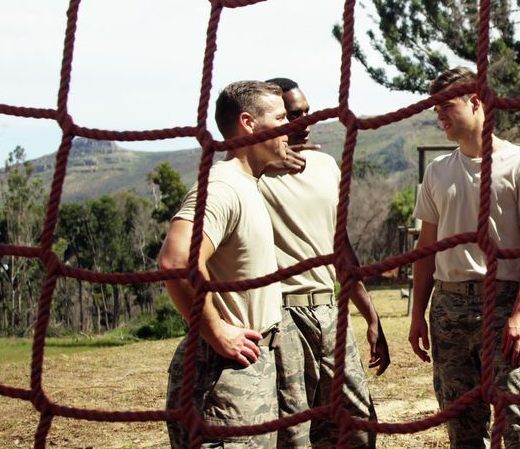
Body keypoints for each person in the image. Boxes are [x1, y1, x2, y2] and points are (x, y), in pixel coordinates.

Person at [408, 67, 520, 448]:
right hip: (448, 308)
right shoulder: (437, 172)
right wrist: (418, 314)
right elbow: (426, 248)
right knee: (462, 426)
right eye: (435, 109)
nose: (439, 115)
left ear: (475, 101)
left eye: (446, 106)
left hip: (502, 304)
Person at [258, 77, 390, 448]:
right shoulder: (249, 173)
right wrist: (264, 161)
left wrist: (371, 315)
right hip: (281, 317)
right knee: (295, 434)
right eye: (291, 115)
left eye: (306, 112)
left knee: (359, 427)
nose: (304, 122)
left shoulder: (326, 166)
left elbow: (340, 245)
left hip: (330, 312)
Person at [160, 80, 289, 448]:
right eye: (280, 118)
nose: (290, 127)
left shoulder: (248, 184)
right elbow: (176, 260)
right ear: (248, 123)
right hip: (222, 379)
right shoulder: (222, 187)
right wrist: (217, 331)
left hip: (247, 368)